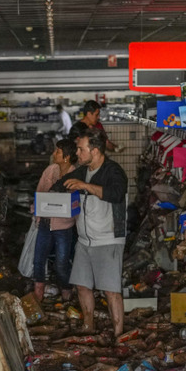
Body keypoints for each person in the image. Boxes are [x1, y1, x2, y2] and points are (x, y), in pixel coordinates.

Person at [63, 126, 128, 339]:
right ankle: (88, 326)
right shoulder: (83, 170)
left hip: (108, 239)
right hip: (84, 240)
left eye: (81, 150)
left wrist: (85, 186)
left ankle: (119, 334)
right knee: (82, 286)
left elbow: (116, 194)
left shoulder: (113, 171)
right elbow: (60, 185)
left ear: (95, 150)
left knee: (111, 290)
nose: (78, 154)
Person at [31, 138, 78, 303]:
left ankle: (67, 292)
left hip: (63, 227)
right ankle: (38, 296)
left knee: (61, 264)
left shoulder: (76, 175)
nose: (54, 154)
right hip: (45, 223)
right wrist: (36, 214)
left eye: (57, 151)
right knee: (38, 260)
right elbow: (39, 193)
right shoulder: (50, 170)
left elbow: (76, 204)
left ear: (66, 156)